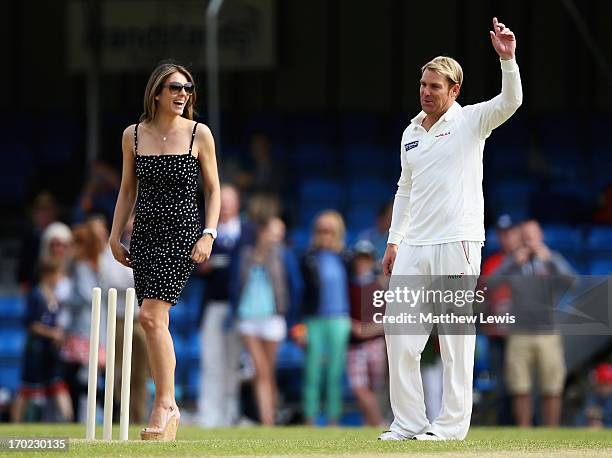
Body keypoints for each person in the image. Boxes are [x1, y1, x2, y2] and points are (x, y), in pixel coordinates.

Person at [379, 17, 522, 441]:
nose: (426, 92)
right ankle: (407, 423)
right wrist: (393, 239)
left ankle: (451, 427)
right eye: (423, 84)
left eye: (435, 86)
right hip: (413, 246)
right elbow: (405, 189)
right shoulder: (410, 132)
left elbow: (510, 101)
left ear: (454, 90)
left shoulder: (471, 121)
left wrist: (508, 60)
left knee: (455, 342)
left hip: (456, 243)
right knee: (400, 336)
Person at [109, 62, 221, 441]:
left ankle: (166, 404)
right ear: (156, 91)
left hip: (182, 235)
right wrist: (114, 235)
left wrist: (209, 233)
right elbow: (127, 190)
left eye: (188, 88)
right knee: (158, 324)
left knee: (150, 317)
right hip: (144, 236)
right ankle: (169, 408)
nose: (182, 95)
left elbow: (214, 190)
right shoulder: (133, 136)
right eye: (175, 87)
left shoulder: (198, 134)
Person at [489, 219, 573, 427]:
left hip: (548, 332)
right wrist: (511, 262)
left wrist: (551, 260)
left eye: (533, 235)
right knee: (520, 387)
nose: (529, 240)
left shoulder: (552, 260)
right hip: (519, 332)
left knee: (551, 386)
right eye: (525, 235)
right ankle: (523, 431)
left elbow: (572, 282)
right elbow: (490, 284)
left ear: (540, 236)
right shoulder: (514, 263)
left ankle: (551, 431)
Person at [230, 216, 302, 425]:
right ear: (262, 232)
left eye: (281, 233)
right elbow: (235, 284)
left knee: (267, 371)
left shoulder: (284, 255)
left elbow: (295, 286)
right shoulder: (245, 255)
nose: (278, 236)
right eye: (274, 231)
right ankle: (267, 419)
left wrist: (291, 316)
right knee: (260, 369)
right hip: (248, 318)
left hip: (273, 318)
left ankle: (269, 417)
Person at [196, 183, 254, 427]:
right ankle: (209, 414)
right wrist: (202, 266)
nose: (227, 205)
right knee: (211, 361)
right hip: (214, 304)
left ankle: (231, 413)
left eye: (231, 200)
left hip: (240, 308)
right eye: (223, 200)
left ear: (238, 203)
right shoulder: (206, 231)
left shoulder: (248, 231)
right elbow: (194, 265)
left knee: (234, 363)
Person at [300, 210, 352, 425]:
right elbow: (299, 292)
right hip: (314, 320)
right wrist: (299, 324)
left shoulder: (346, 258)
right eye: (321, 230)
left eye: (330, 231)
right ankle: (310, 418)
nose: (325, 235)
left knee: (335, 372)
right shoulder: (307, 259)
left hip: (340, 320)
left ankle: (333, 418)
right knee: (312, 372)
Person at [11, 257, 73, 422]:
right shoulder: (36, 295)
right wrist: (52, 333)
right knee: (27, 388)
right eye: (57, 275)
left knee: (58, 385)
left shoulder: (55, 296)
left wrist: (58, 333)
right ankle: (14, 423)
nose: (60, 279)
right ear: (47, 274)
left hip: (51, 350)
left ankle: (69, 422)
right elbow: (31, 324)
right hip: (36, 349)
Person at [347, 240, 387, 427]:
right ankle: (378, 423)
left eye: (366, 259)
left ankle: (369, 424)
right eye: (359, 259)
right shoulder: (348, 286)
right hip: (354, 345)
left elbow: (389, 319)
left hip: (375, 343)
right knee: (359, 387)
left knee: (375, 387)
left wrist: (365, 329)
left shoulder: (379, 286)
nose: (362, 264)